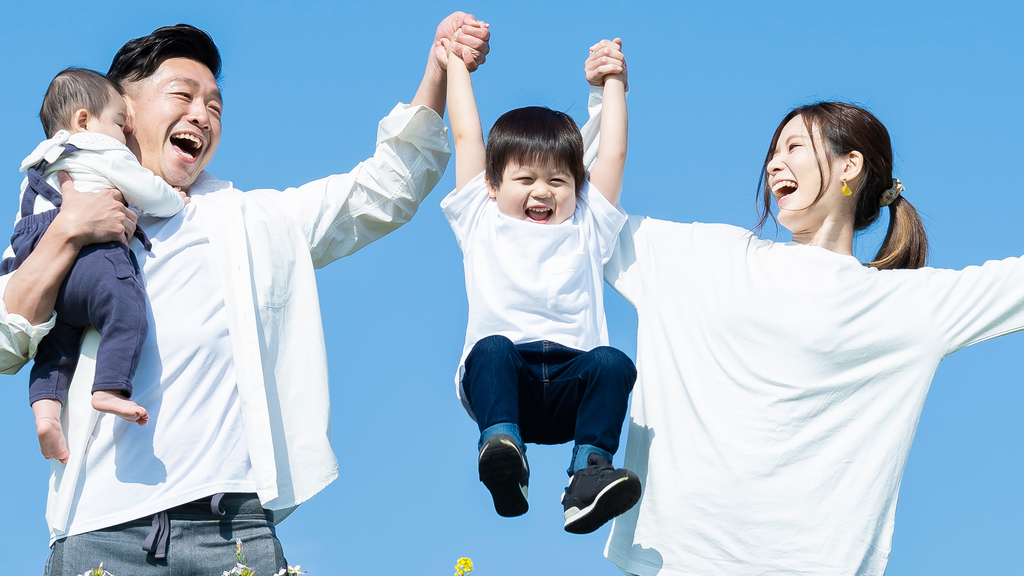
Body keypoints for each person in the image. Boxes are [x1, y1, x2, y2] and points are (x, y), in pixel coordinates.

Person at [0, 15, 490, 575]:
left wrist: (436, 71)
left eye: (214, 106)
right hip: (100, 527)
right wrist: (67, 229)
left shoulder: (255, 223)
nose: (201, 115)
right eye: (182, 95)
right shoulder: (62, 204)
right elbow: (4, 341)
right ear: (124, 114)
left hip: (235, 528)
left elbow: (384, 188)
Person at [579, 85, 1024, 573]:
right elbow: (576, 214)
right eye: (772, 152)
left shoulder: (903, 304)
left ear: (849, 166)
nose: (773, 164)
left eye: (793, 147)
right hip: (671, 561)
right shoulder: (708, 258)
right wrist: (607, 101)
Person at [441, 36, 639, 535]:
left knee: (614, 363)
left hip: (573, 387)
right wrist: (457, 66)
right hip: (510, 387)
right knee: (490, 350)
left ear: (577, 186)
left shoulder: (588, 226)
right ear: (492, 183)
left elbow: (612, 152)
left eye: (558, 181)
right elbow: (467, 137)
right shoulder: (480, 219)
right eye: (525, 179)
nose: (542, 191)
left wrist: (613, 81)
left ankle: (588, 477)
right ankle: (504, 452)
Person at [9, 67, 189, 466]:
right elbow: (144, 188)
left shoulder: (40, 163)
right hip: (93, 257)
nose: (125, 134)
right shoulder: (98, 147)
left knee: (55, 348)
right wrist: (176, 200)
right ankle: (109, 388)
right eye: (120, 123)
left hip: (42, 260)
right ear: (84, 121)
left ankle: (46, 415)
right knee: (126, 310)